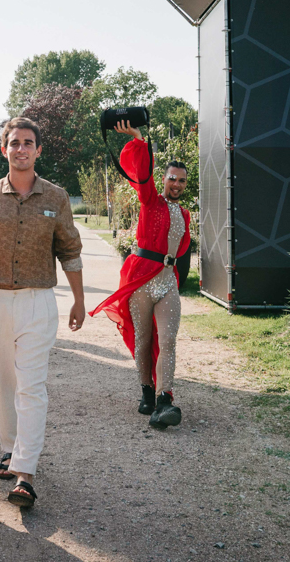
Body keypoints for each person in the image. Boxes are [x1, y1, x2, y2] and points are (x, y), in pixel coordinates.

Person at [0, 117, 84, 509]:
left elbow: (70, 250)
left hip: (37, 302)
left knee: (31, 386)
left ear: (38, 150)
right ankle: (11, 448)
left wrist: (79, 300)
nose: (21, 149)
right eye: (14, 142)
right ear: (4, 149)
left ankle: (25, 475)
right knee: (3, 384)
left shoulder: (56, 197)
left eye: (28, 142)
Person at [90, 122, 191, 429]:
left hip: (167, 282)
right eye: (172, 178)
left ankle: (164, 400)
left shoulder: (185, 214)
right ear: (163, 179)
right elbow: (143, 176)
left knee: (169, 339)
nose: (176, 184)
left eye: (182, 180)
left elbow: (181, 250)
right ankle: (147, 393)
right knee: (143, 340)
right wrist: (139, 141)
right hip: (142, 281)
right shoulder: (150, 201)